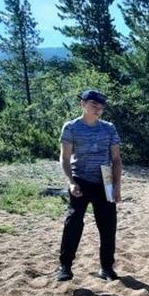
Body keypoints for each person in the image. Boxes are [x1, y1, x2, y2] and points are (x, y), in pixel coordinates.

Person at [57, 89, 122, 281]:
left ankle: (106, 267)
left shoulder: (109, 128)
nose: (98, 110)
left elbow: (116, 158)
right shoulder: (71, 127)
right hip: (80, 179)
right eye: (94, 105)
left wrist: (117, 186)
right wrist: (71, 182)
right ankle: (65, 266)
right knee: (74, 222)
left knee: (108, 225)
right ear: (82, 104)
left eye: (101, 107)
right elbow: (65, 157)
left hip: (105, 180)